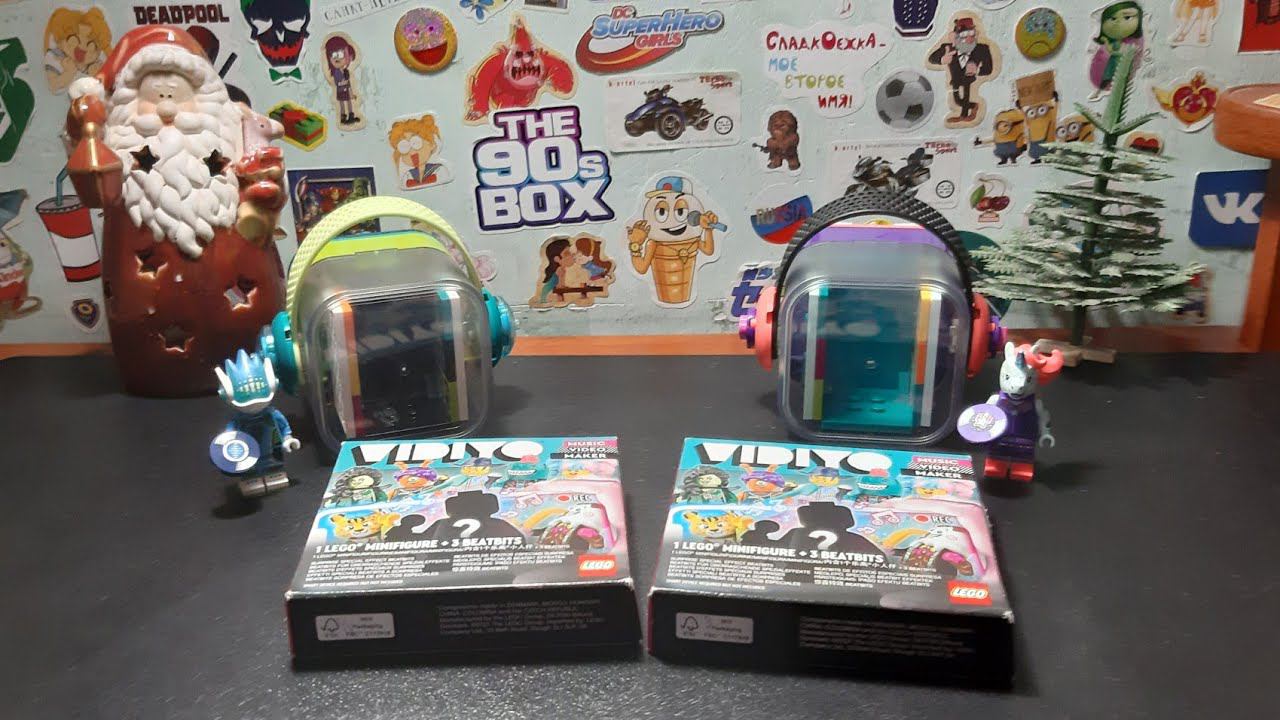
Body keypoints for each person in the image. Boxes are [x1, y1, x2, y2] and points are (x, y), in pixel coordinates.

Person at [928, 17, 995, 123]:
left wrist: (977, 70)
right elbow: (931, 59)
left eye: (972, 35)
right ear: (955, 37)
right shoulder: (948, 48)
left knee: (966, 91)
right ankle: (973, 106)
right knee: (958, 101)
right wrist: (942, 59)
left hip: (969, 78)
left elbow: (989, 69)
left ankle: (964, 115)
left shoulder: (982, 49)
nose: (969, 39)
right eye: (964, 36)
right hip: (955, 79)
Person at [324, 35, 360, 126]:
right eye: (334, 55)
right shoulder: (336, 72)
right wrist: (343, 83)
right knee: (342, 104)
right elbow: (338, 83)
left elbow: (349, 84)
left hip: (346, 90)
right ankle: (343, 117)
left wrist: (351, 93)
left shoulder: (346, 71)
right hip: (340, 90)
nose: (337, 58)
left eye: (340, 54)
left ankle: (351, 116)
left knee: (349, 102)